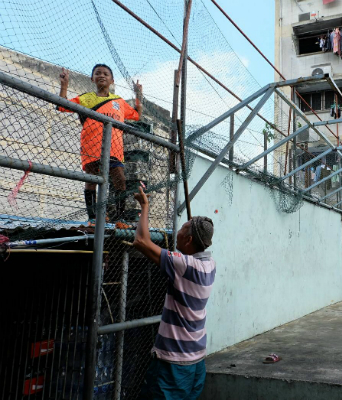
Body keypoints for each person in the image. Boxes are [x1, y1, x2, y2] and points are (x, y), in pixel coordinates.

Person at [132, 185, 216, 399]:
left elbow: (141, 241)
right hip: (197, 359)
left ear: (188, 240)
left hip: (174, 362)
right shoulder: (209, 264)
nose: (176, 232)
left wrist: (145, 206)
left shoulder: (184, 265)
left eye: (183, 228)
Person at [58, 64, 143, 228]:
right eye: (98, 73)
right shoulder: (86, 98)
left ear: (112, 80)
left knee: (120, 181)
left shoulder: (118, 102)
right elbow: (62, 106)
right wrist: (64, 86)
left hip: (115, 150)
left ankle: (120, 218)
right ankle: (93, 218)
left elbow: (137, 114)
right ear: (92, 78)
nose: (102, 75)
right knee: (91, 182)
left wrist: (138, 94)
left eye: (105, 73)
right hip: (92, 148)